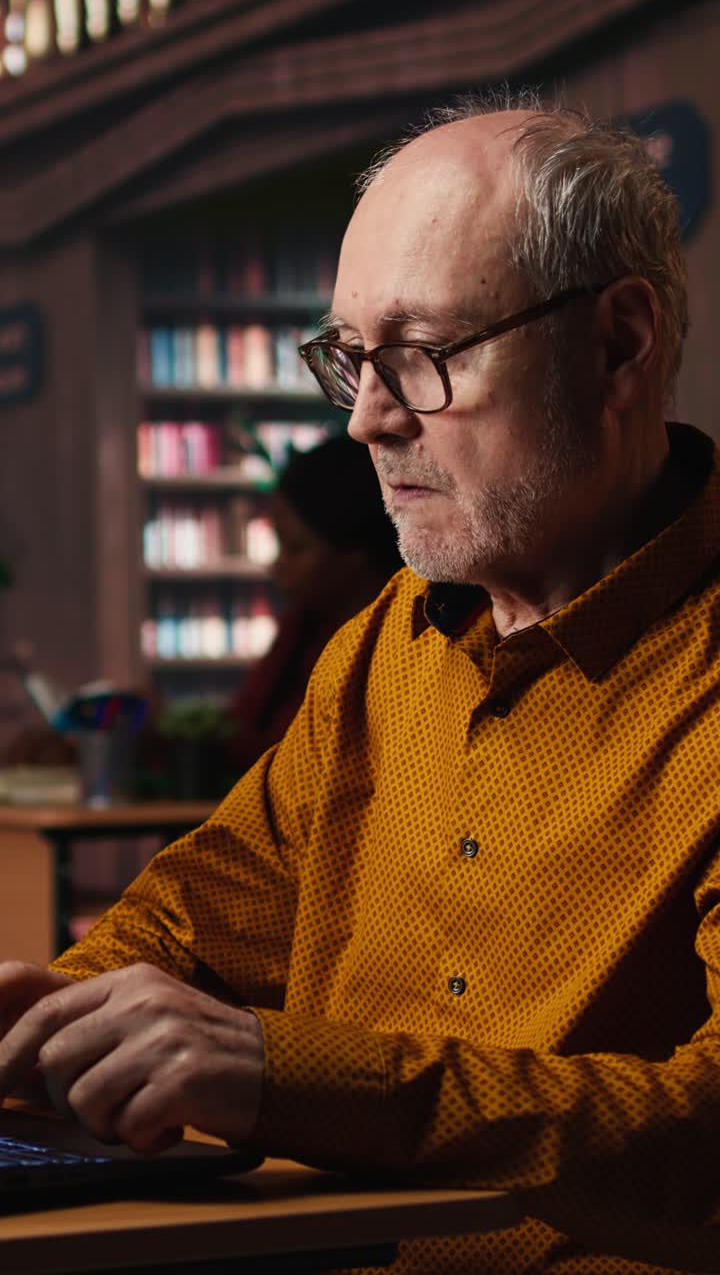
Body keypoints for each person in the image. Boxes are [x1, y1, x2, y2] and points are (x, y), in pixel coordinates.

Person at [2, 89, 720, 1274]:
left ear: (620, 344)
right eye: (349, 358)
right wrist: (46, 1018)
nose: (370, 421)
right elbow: (201, 910)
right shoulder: (385, 640)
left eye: (425, 353)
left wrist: (289, 1078)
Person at [225, 433, 402, 772]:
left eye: (295, 548)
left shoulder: (391, 654)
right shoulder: (301, 629)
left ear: (355, 554)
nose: (277, 565)